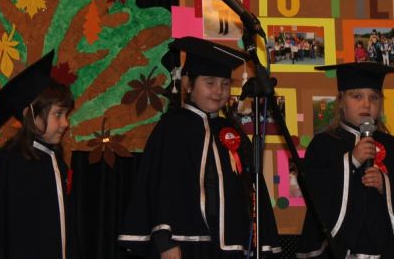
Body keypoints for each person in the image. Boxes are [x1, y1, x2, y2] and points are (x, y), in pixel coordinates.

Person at [118, 37, 281, 258]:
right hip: (186, 244)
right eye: (210, 83)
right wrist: (166, 242)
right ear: (188, 84)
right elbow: (161, 189)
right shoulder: (173, 128)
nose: (219, 91)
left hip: (230, 246)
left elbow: (250, 191)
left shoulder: (232, 132)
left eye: (225, 84)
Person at [297, 61, 394, 258]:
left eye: (374, 97)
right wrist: (351, 161)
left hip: (383, 251)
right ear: (341, 101)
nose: (366, 104)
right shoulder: (323, 145)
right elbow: (313, 188)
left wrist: (386, 185)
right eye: (357, 96)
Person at [0, 51, 77, 259]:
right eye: (58, 114)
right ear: (30, 114)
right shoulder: (11, 167)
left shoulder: (56, 163)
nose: (65, 123)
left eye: (66, 115)